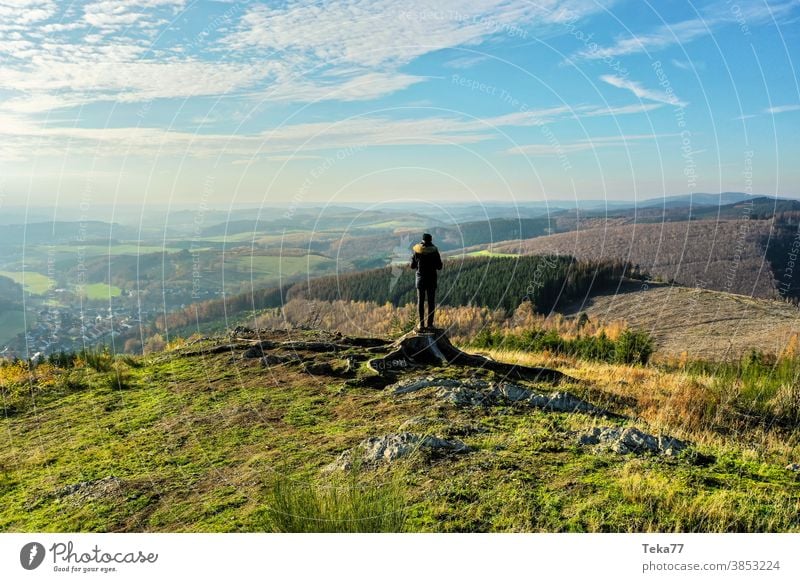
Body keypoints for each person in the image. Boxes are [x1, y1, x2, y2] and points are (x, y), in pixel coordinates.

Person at [410, 233, 443, 331]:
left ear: (422, 240)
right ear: (431, 240)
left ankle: (421, 324)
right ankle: (430, 324)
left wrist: (418, 265)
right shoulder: (434, 251)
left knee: (420, 302)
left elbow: (412, 266)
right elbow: (439, 267)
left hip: (420, 279)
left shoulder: (417, 250)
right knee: (431, 302)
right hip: (431, 279)